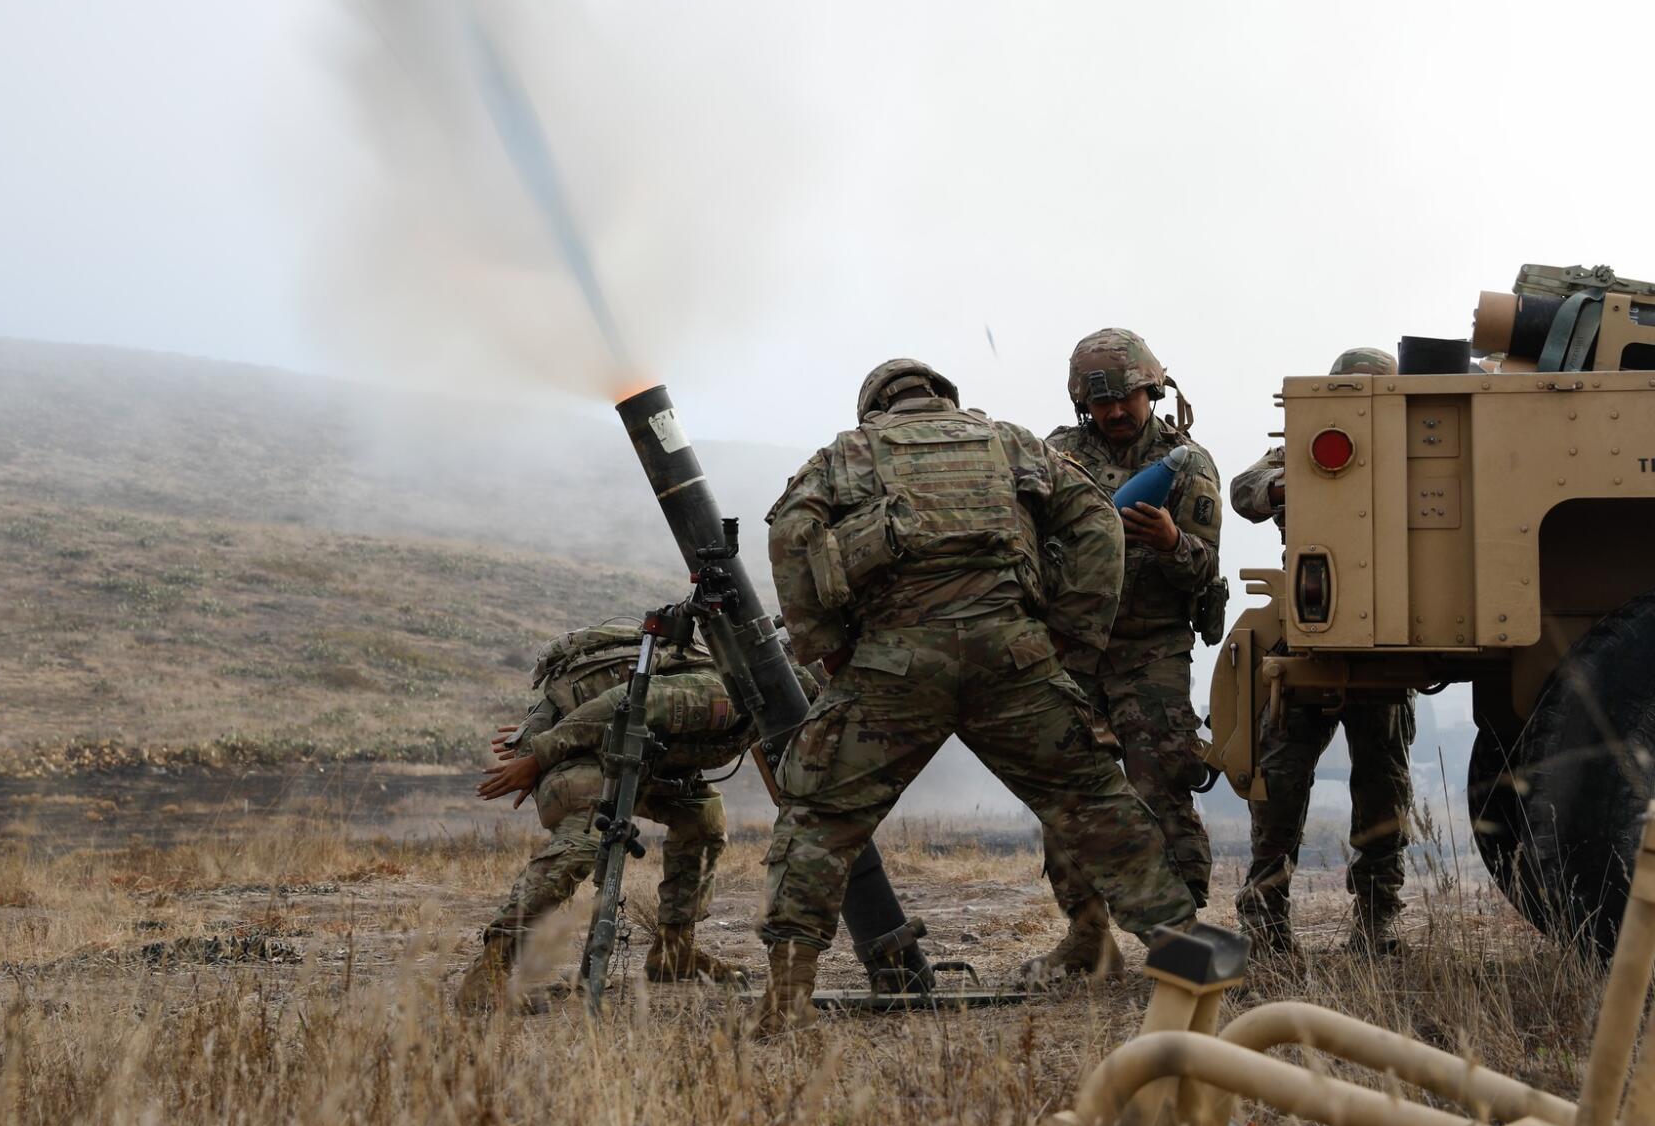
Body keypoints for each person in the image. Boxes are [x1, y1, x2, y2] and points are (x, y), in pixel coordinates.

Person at [750, 358, 1198, 1037]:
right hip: (1013, 658)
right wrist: (1070, 639)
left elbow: (790, 531)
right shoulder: (1009, 441)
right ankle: (1190, 960)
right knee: (1094, 801)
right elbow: (1098, 524)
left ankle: (785, 1002)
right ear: (944, 398)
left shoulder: (849, 451)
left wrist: (829, 648)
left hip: (894, 665)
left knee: (820, 818)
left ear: (875, 407)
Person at [1033, 329, 1222, 982]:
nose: (1115, 414)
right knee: (1066, 790)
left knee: (1161, 785)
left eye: (1127, 400)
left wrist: (1173, 544)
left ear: (1152, 390)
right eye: (1101, 404)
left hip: (1151, 651)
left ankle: (1180, 935)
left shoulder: (1186, 463)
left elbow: (1206, 573)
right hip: (1076, 649)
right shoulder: (1056, 455)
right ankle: (1087, 935)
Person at [454, 623, 752, 1012]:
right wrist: (539, 756)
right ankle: (488, 971)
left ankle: (674, 952)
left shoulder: (764, 710)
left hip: (643, 759)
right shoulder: (724, 695)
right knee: (583, 844)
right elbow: (622, 703)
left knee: (704, 819)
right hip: (578, 750)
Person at [1231, 346, 1416, 958]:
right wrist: (1291, 484)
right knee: (1279, 789)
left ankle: (1377, 922)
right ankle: (1265, 923)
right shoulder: (1305, 448)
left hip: (1388, 649)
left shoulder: (1416, 452)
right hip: (1307, 646)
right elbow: (1245, 489)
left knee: (1383, 794)